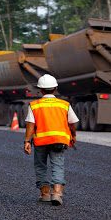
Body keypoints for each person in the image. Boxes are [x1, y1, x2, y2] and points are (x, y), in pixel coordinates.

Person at [23, 74, 78, 206]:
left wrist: (27, 141)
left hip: (41, 142)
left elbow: (30, 125)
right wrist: (73, 136)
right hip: (59, 141)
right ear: (55, 88)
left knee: (40, 166)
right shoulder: (64, 104)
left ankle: (45, 194)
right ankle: (57, 194)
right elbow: (72, 123)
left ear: (40, 90)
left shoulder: (35, 105)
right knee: (57, 166)